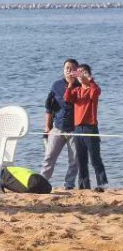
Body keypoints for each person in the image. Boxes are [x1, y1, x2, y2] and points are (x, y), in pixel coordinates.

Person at [64, 64, 108, 192]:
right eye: (79, 73)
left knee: (95, 158)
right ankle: (84, 185)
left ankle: (102, 184)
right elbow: (67, 98)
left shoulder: (93, 88)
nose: (80, 75)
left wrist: (89, 79)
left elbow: (95, 93)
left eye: (83, 72)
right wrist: (71, 83)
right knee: (81, 159)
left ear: (88, 74)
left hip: (90, 128)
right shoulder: (76, 91)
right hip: (78, 128)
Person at [40, 58, 79, 190]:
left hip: (75, 129)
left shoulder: (82, 86)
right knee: (49, 157)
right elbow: (49, 107)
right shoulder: (56, 85)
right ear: (63, 70)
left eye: (72, 68)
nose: (69, 70)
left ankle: (69, 185)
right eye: (67, 68)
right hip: (57, 128)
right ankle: (42, 182)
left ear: (77, 71)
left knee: (74, 160)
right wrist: (47, 127)